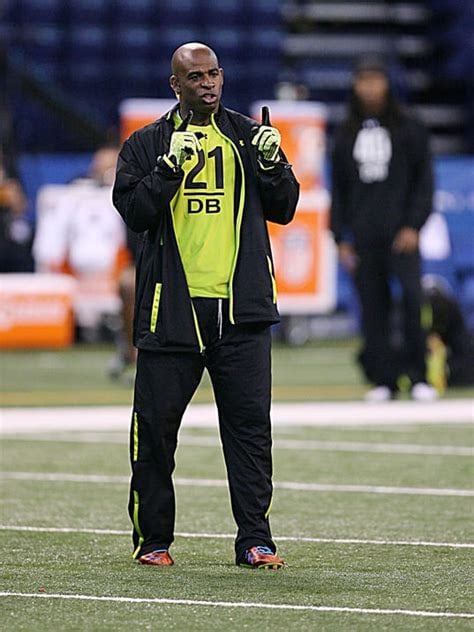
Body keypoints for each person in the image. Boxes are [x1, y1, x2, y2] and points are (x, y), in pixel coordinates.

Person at [113, 43, 299, 568]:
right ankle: (153, 542)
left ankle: (255, 540)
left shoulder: (245, 135)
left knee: (249, 432)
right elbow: (134, 212)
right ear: (175, 85)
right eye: (195, 77)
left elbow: (284, 207)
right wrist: (168, 172)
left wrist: (274, 163)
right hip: (172, 311)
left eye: (214, 73)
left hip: (240, 311)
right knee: (153, 432)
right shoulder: (146, 144)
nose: (208, 84)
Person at [330, 57, 438, 402]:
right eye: (364, 80)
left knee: (410, 300)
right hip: (363, 236)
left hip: (401, 235)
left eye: (376, 80)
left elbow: (424, 181)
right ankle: (385, 380)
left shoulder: (409, 126)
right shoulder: (345, 131)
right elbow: (340, 189)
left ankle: (418, 375)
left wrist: (413, 225)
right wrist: (340, 237)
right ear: (355, 85)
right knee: (372, 308)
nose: (370, 87)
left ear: (387, 84)